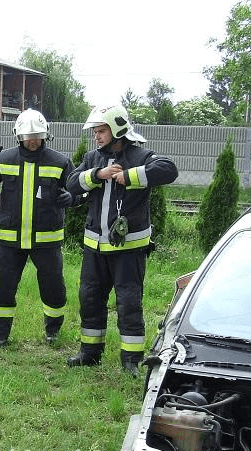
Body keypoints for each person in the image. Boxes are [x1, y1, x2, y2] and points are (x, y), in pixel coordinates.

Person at [66, 104, 178, 375]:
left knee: (128, 303)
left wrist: (129, 176)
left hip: (129, 249)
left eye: (101, 131)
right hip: (94, 248)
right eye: (95, 131)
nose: (96, 136)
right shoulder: (92, 158)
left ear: (117, 130)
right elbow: (71, 183)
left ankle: (131, 361)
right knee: (90, 299)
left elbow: (169, 170)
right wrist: (97, 175)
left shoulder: (141, 155)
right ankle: (89, 353)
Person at [0, 109, 76, 346]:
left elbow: (79, 188)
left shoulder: (60, 162)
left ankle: (53, 331)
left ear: (46, 135)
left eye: (37, 136)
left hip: (47, 240)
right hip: (10, 240)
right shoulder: (5, 158)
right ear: (18, 136)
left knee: (53, 287)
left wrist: (72, 198)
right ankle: (0, 334)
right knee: (2, 286)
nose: (33, 141)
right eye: (28, 136)